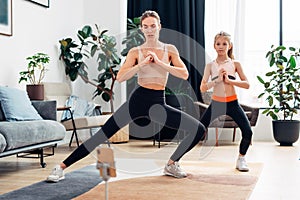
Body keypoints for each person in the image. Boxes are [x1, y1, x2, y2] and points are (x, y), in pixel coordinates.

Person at [46, 10, 206, 182]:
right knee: (101, 135)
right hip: (138, 101)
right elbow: (121, 77)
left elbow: (184, 74)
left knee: (198, 129)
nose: (150, 30)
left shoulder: (169, 50)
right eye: (145, 27)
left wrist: (159, 63)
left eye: (153, 26)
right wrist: (141, 64)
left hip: (159, 102)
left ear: (159, 27)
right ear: (141, 29)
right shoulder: (135, 51)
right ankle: (60, 168)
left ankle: (172, 164)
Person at [200, 31, 252, 172]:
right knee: (198, 130)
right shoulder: (210, 66)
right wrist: (216, 80)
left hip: (233, 103)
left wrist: (230, 81)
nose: (221, 46)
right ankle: (175, 161)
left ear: (230, 46)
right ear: (214, 46)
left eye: (224, 44)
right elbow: (203, 88)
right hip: (216, 104)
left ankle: (241, 158)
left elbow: (247, 84)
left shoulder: (235, 64)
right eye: (218, 44)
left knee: (248, 132)